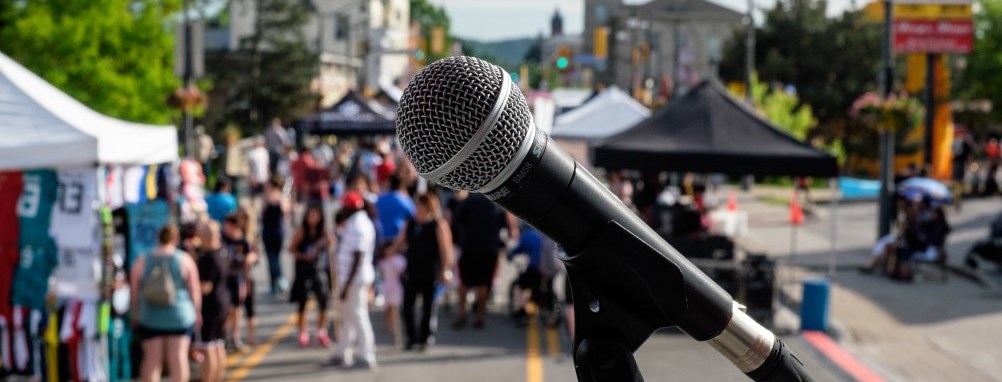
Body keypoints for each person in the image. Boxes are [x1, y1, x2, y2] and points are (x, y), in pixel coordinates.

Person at [130, 225, 201, 382]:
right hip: (179, 315)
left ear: (157, 238)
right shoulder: (184, 259)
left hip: (150, 316)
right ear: (175, 239)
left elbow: (134, 292)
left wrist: (134, 313)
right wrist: (197, 312)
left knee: (152, 359)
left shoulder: (142, 260)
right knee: (178, 358)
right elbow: (194, 290)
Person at [390, 193, 453, 350]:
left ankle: (425, 338)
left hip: (431, 271)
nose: (417, 208)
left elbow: (446, 250)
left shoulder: (438, 225)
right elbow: (399, 242)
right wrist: (387, 253)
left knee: (427, 307)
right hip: (412, 270)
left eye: (420, 205)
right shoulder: (411, 223)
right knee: (407, 306)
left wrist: (445, 269)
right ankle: (411, 338)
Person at [452, 193, 517, 329]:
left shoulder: (469, 200)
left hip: (469, 247)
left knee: (464, 283)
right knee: (483, 284)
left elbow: (457, 220)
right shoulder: (497, 202)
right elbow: (506, 225)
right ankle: (480, 316)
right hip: (489, 249)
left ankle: (462, 314)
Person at [328, 192, 377, 369]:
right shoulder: (354, 223)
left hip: (355, 279)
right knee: (347, 317)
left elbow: (358, 256)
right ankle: (343, 352)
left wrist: (346, 285)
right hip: (352, 278)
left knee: (358, 316)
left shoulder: (359, 225)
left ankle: (366, 355)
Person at [288, 204, 333, 347]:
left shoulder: (323, 233)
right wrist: (303, 256)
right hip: (303, 269)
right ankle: (302, 331)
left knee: (323, 300)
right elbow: (291, 249)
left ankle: (321, 330)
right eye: (310, 215)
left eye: (315, 215)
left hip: (319, 270)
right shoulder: (302, 232)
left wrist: (328, 243)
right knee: (303, 301)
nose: (312, 218)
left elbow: (331, 245)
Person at [195, 221, 231, 382]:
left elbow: (205, 287)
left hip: (210, 305)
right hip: (223, 300)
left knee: (208, 347)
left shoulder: (207, 257)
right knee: (218, 345)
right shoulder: (223, 251)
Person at [222, 215, 255, 352]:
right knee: (227, 311)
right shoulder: (223, 240)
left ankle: (236, 337)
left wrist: (246, 283)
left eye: (228, 226)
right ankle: (224, 336)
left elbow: (246, 265)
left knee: (237, 310)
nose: (225, 229)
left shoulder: (243, 243)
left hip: (238, 279)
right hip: (225, 280)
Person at [508, 224, 545, 327]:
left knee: (520, 287)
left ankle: (521, 311)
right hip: (543, 267)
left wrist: (510, 253)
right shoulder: (540, 234)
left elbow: (518, 249)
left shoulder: (526, 236)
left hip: (532, 267)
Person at [234, 208, 260, 346]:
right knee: (235, 308)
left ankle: (251, 337)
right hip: (235, 276)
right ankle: (235, 336)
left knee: (250, 308)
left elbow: (257, 255)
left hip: (248, 276)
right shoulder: (232, 236)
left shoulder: (250, 237)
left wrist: (252, 257)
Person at [261, 177, 288, 295]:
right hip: (274, 231)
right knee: (274, 258)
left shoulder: (278, 197)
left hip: (273, 232)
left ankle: (279, 279)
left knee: (273, 258)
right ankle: (274, 284)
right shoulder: (270, 197)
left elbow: (285, 211)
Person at [377, 244, 406, 346]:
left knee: (394, 307)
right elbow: (381, 273)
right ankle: (390, 324)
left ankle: (394, 325)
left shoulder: (399, 260)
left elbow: (403, 272)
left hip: (395, 286)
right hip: (387, 286)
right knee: (388, 306)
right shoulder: (384, 262)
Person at [375, 175, 416, 246]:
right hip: (397, 239)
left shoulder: (380, 199)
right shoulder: (404, 200)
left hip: (381, 238)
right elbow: (414, 214)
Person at [247, 137, 271, 202]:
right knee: (253, 195)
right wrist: (252, 177)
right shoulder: (251, 152)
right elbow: (250, 166)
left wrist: (268, 175)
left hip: (264, 177)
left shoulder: (264, 151)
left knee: (265, 194)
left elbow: (267, 165)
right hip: (255, 178)